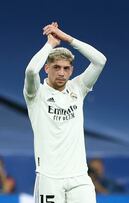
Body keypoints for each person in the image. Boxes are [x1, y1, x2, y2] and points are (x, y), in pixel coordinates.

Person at [23, 22, 106, 203]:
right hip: (49, 178)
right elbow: (30, 71)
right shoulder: (36, 94)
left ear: (71, 71)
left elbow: (100, 61)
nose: (61, 73)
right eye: (56, 67)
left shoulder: (78, 88)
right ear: (47, 69)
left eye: (66, 68)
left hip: (79, 177)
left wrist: (67, 39)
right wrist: (50, 45)